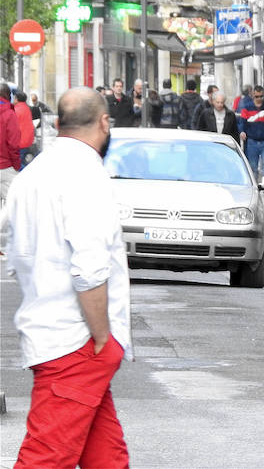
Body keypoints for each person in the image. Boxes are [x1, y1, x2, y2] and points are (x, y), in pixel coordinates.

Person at [5, 87, 132, 467]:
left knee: (107, 456)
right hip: (75, 339)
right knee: (47, 457)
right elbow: (89, 268)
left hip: (49, 326)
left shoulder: (33, 174)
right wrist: (102, 336)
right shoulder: (86, 175)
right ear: (104, 122)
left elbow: (9, 242)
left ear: (59, 124)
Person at [238, 85, 264, 183]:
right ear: (253, 95)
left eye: (261, 96)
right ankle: (255, 186)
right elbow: (242, 122)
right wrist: (242, 131)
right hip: (252, 141)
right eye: (257, 96)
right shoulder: (247, 108)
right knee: (253, 167)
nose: (259, 99)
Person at [0, 83, 21, 202]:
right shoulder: (9, 114)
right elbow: (13, 144)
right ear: (8, 95)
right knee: (13, 206)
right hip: (5, 166)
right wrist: (16, 165)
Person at [13, 91, 35, 167]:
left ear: (16, 99)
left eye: (14, 98)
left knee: (18, 165)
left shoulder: (16, 110)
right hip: (28, 140)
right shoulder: (27, 108)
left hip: (19, 143)